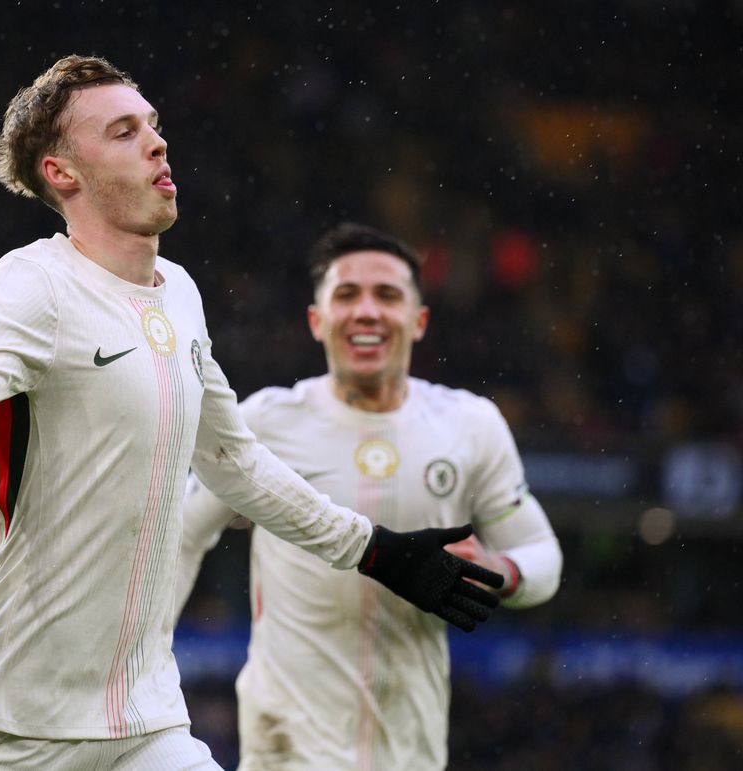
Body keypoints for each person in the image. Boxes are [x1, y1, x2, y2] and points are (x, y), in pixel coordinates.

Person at [0, 56, 502, 770]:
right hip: (5, 728)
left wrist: (378, 550)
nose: (157, 143)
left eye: (154, 126)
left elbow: (234, 461)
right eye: (124, 131)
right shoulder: (33, 285)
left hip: (145, 725)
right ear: (62, 172)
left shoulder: (179, 294)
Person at [175, 222, 564, 770]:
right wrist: (142, 668)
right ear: (317, 320)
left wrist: (499, 569)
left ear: (418, 320)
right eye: (346, 294)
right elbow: (184, 533)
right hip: (286, 752)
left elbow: (544, 557)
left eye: (387, 295)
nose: (366, 311)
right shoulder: (267, 420)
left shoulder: (470, 425)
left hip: (412, 751)